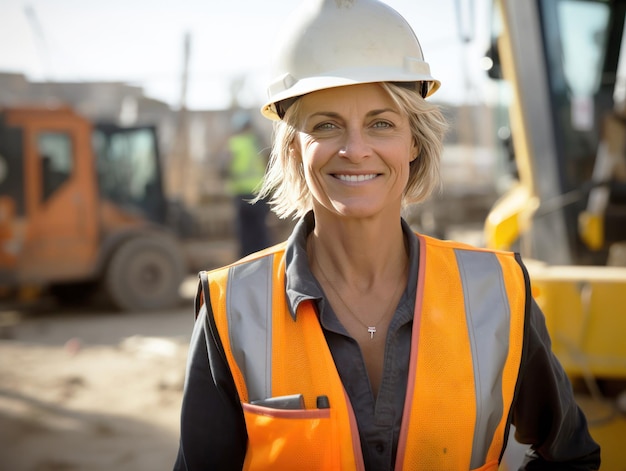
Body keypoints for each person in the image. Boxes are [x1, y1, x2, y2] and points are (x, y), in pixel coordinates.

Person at [174, 0, 601, 469]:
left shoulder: (497, 293)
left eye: (381, 123)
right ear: (294, 148)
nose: (356, 150)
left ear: (413, 141)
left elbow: (572, 457)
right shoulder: (231, 305)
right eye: (326, 125)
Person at [221, 110, 271, 257]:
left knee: (244, 233)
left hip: (241, 194)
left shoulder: (233, 144)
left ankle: (246, 260)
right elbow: (270, 164)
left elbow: (223, 168)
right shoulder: (258, 143)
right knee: (261, 231)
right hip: (259, 192)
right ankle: (265, 259)